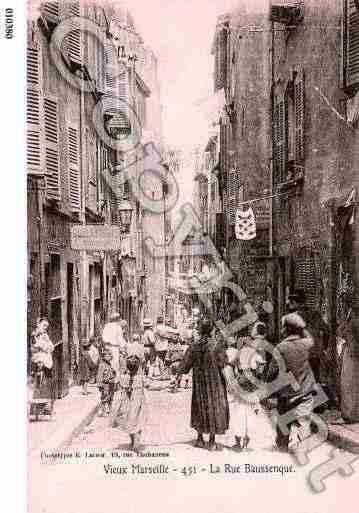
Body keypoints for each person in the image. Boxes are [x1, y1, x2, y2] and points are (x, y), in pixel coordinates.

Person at [175, 318, 229, 451]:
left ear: (200, 330)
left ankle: (199, 438)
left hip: (199, 383)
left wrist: (178, 374)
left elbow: (185, 364)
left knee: (199, 405)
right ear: (211, 330)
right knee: (213, 407)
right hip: (214, 383)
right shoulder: (217, 345)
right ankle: (211, 441)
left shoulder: (195, 345)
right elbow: (223, 363)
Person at [268, 312, 315, 452]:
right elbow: (310, 338)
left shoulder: (280, 348)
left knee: (283, 416)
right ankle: (302, 446)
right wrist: (301, 328)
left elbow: (271, 372)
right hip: (305, 389)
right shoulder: (307, 344)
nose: (281, 330)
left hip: (287, 391)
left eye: (283, 327)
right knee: (304, 419)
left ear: (287, 329)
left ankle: (282, 444)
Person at [287, 289, 329, 384]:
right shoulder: (316, 314)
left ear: (295, 302)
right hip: (314, 354)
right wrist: (323, 348)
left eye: (292, 302)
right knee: (315, 382)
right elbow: (327, 331)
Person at [112, 342, 147, 452]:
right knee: (136, 420)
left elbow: (116, 385)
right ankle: (136, 442)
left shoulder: (123, 377)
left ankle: (134, 441)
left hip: (128, 402)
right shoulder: (140, 377)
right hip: (137, 402)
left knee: (130, 420)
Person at [30, 318, 55, 414]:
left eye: (46, 327)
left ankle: (45, 407)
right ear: (38, 324)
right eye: (43, 326)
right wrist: (45, 347)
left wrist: (47, 346)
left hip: (46, 362)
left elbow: (51, 347)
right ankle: (37, 408)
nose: (45, 328)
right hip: (39, 362)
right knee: (39, 384)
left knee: (46, 383)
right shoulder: (34, 336)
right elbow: (38, 347)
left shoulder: (44, 335)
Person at [340, 302, 359, 423]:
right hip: (354, 354)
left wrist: (347, 319)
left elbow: (340, 331)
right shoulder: (354, 323)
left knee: (348, 384)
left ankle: (350, 414)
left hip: (351, 354)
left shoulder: (352, 323)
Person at [102, 313, 127, 383]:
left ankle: (107, 379)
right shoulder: (118, 327)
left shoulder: (106, 326)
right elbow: (120, 339)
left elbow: (103, 337)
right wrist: (123, 347)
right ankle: (115, 381)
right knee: (115, 364)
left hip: (107, 347)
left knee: (107, 363)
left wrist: (106, 343)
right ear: (117, 319)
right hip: (115, 347)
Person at [97, 349, 116, 416]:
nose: (108, 357)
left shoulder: (109, 364)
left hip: (110, 383)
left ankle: (109, 410)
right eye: (106, 356)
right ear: (103, 356)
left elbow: (111, 373)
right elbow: (99, 375)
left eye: (109, 355)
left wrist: (113, 373)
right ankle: (102, 410)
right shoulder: (102, 365)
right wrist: (100, 385)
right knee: (104, 397)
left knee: (110, 397)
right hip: (105, 384)